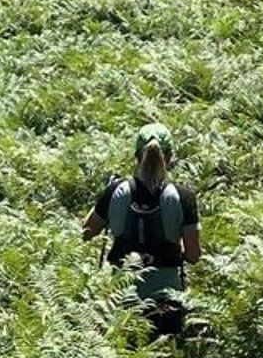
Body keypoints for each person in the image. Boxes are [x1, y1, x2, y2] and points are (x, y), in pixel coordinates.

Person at [82, 122, 201, 340]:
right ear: (170, 157)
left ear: (136, 156)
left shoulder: (117, 190)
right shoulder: (184, 197)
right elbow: (193, 256)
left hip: (122, 296)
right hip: (167, 298)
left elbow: (87, 232)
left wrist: (106, 198)